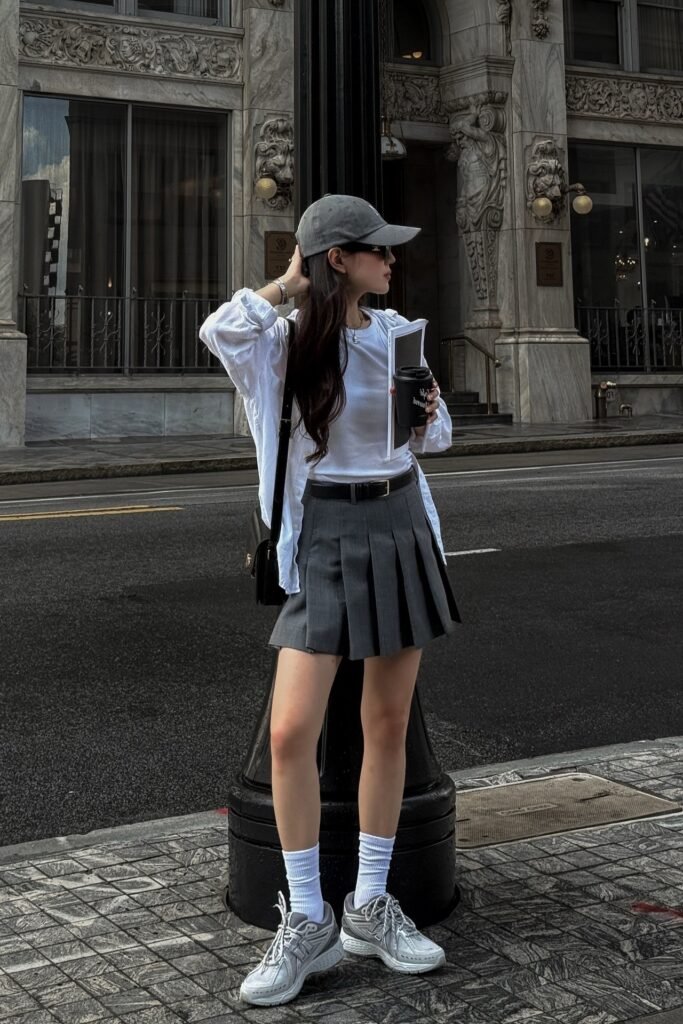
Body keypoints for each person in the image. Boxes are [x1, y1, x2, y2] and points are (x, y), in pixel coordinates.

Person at [199, 194, 460, 1008]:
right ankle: (307, 916)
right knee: (289, 734)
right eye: (377, 250)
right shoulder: (280, 347)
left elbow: (436, 439)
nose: (392, 262)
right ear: (338, 259)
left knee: (384, 724)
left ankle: (370, 905)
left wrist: (425, 414)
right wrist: (287, 284)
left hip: (398, 524)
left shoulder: (396, 335)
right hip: (323, 538)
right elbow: (221, 329)